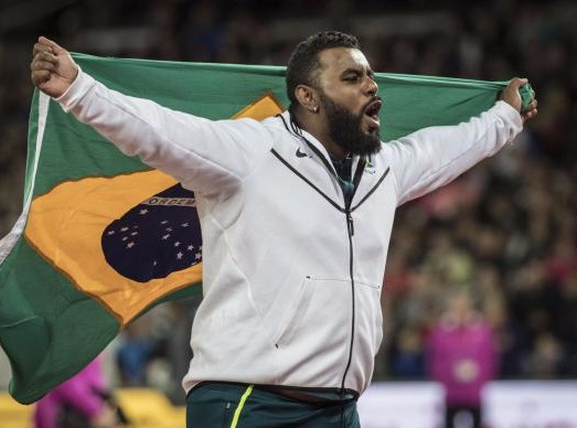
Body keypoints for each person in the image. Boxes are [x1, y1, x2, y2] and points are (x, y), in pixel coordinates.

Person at [30, 31, 537, 427]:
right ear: (309, 97)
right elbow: (158, 132)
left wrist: (507, 117)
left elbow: (451, 147)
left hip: (338, 409)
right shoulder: (249, 152)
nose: (372, 87)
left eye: (371, 77)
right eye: (353, 78)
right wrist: (78, 90)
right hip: (247, 400)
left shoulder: (384, 169)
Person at [426, 290, 499, 428]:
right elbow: (435, 361)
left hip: (475, 393)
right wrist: (452, 373)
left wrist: (476, 374)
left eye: (464, 306)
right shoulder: (441, 332)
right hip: (451, 393)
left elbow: (489, 359)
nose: (461, 310)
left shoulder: (482, 331)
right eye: (457, 306)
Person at [33, 356, 121, 428]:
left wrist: (103, 409)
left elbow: (95, 383)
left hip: (77, 414)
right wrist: (97, 410)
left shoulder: (90, 350)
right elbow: (70, 386)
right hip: (61, 414)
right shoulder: (71, 350)